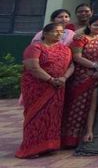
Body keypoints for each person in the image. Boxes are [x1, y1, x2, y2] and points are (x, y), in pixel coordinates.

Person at [16, 23, 74, 158]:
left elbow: (71, 66)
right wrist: (50, 79)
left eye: (61, 32)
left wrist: (64, 78)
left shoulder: (65, 49)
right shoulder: (35, 47)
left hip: (58, 86)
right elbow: (33, 67)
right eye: (55, 31)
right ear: (45, 33)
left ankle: (48, 146)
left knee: (53, 116)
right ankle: (31, 148)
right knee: (36, 116)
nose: (59, 34)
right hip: (37, 87)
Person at [62, 16, 98, 148]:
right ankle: (72, 140)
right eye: (96, 25)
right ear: (89, 25)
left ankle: (95, 136)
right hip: (82, 78)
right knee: (78, 107)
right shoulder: (80, 39)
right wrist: (96, 66)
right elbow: (77, 57)